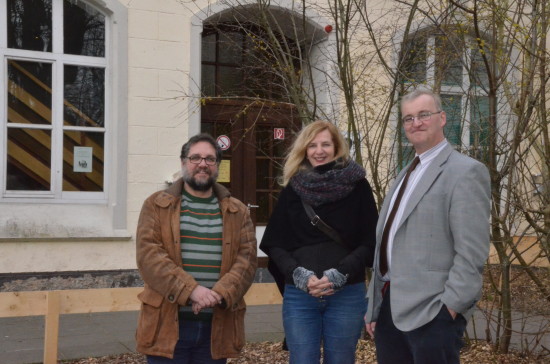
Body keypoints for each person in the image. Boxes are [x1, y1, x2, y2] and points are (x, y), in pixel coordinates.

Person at [364, 88, 491, 364]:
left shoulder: (465, 172)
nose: (416, 123)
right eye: (408, 118)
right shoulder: (405, 174)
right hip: (391, 306)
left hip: (433, 312)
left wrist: (451, 308)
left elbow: (472, 252)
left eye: (424, 115)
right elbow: (386, 243)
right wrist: (375, 307)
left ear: (442, 118)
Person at [260, 120, 378, 364]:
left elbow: (370, 241)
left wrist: (342, 273)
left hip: (347, 293)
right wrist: (298, 274)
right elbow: (275, 244)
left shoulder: (358, 186)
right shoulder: (293, 188)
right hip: (301, 296)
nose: (319, 151)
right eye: (312, 145)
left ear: (337, 148)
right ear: (304, 150)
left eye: (326, 144)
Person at [135, 133, 257, 363]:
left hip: (217, 328)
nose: (203, 164)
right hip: (166, 326)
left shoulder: (237, 211)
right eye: (196, 158)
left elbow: (247, 260)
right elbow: (149, 256)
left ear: (217, 166)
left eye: (210, 159)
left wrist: (220, 293)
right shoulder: (156, 205)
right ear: (183, 163)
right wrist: (192, 291)